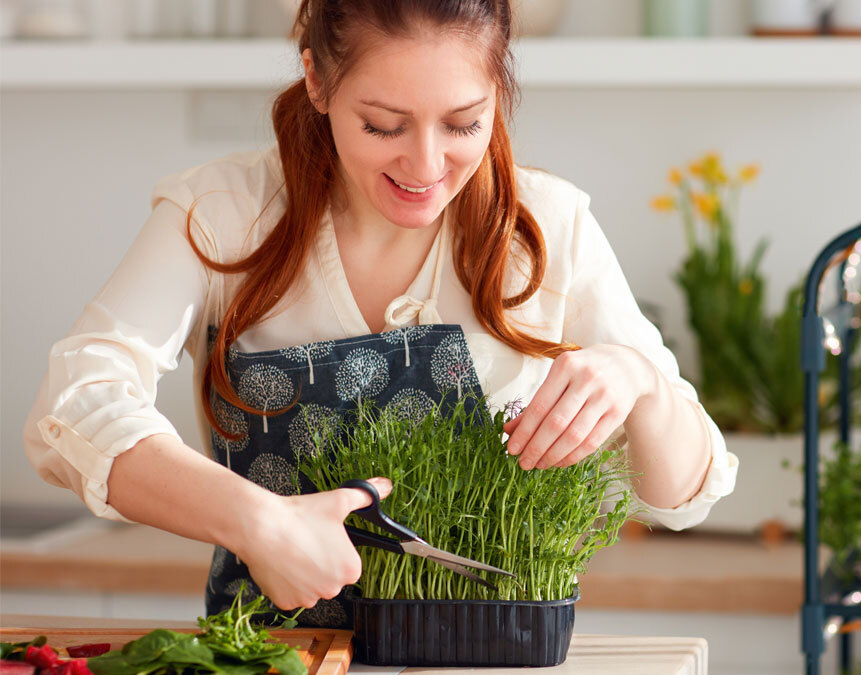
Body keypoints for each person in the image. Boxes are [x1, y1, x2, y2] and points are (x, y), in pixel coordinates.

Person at [22, 0, 737, 627]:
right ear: (317, 81)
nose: (426, 166)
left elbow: (684, 495)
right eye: (384, 124)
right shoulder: (225, 213)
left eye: (464, 123)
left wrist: (636, 376)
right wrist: (258, 520)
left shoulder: (548, 226)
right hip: (274, 655)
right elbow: (74, 403)